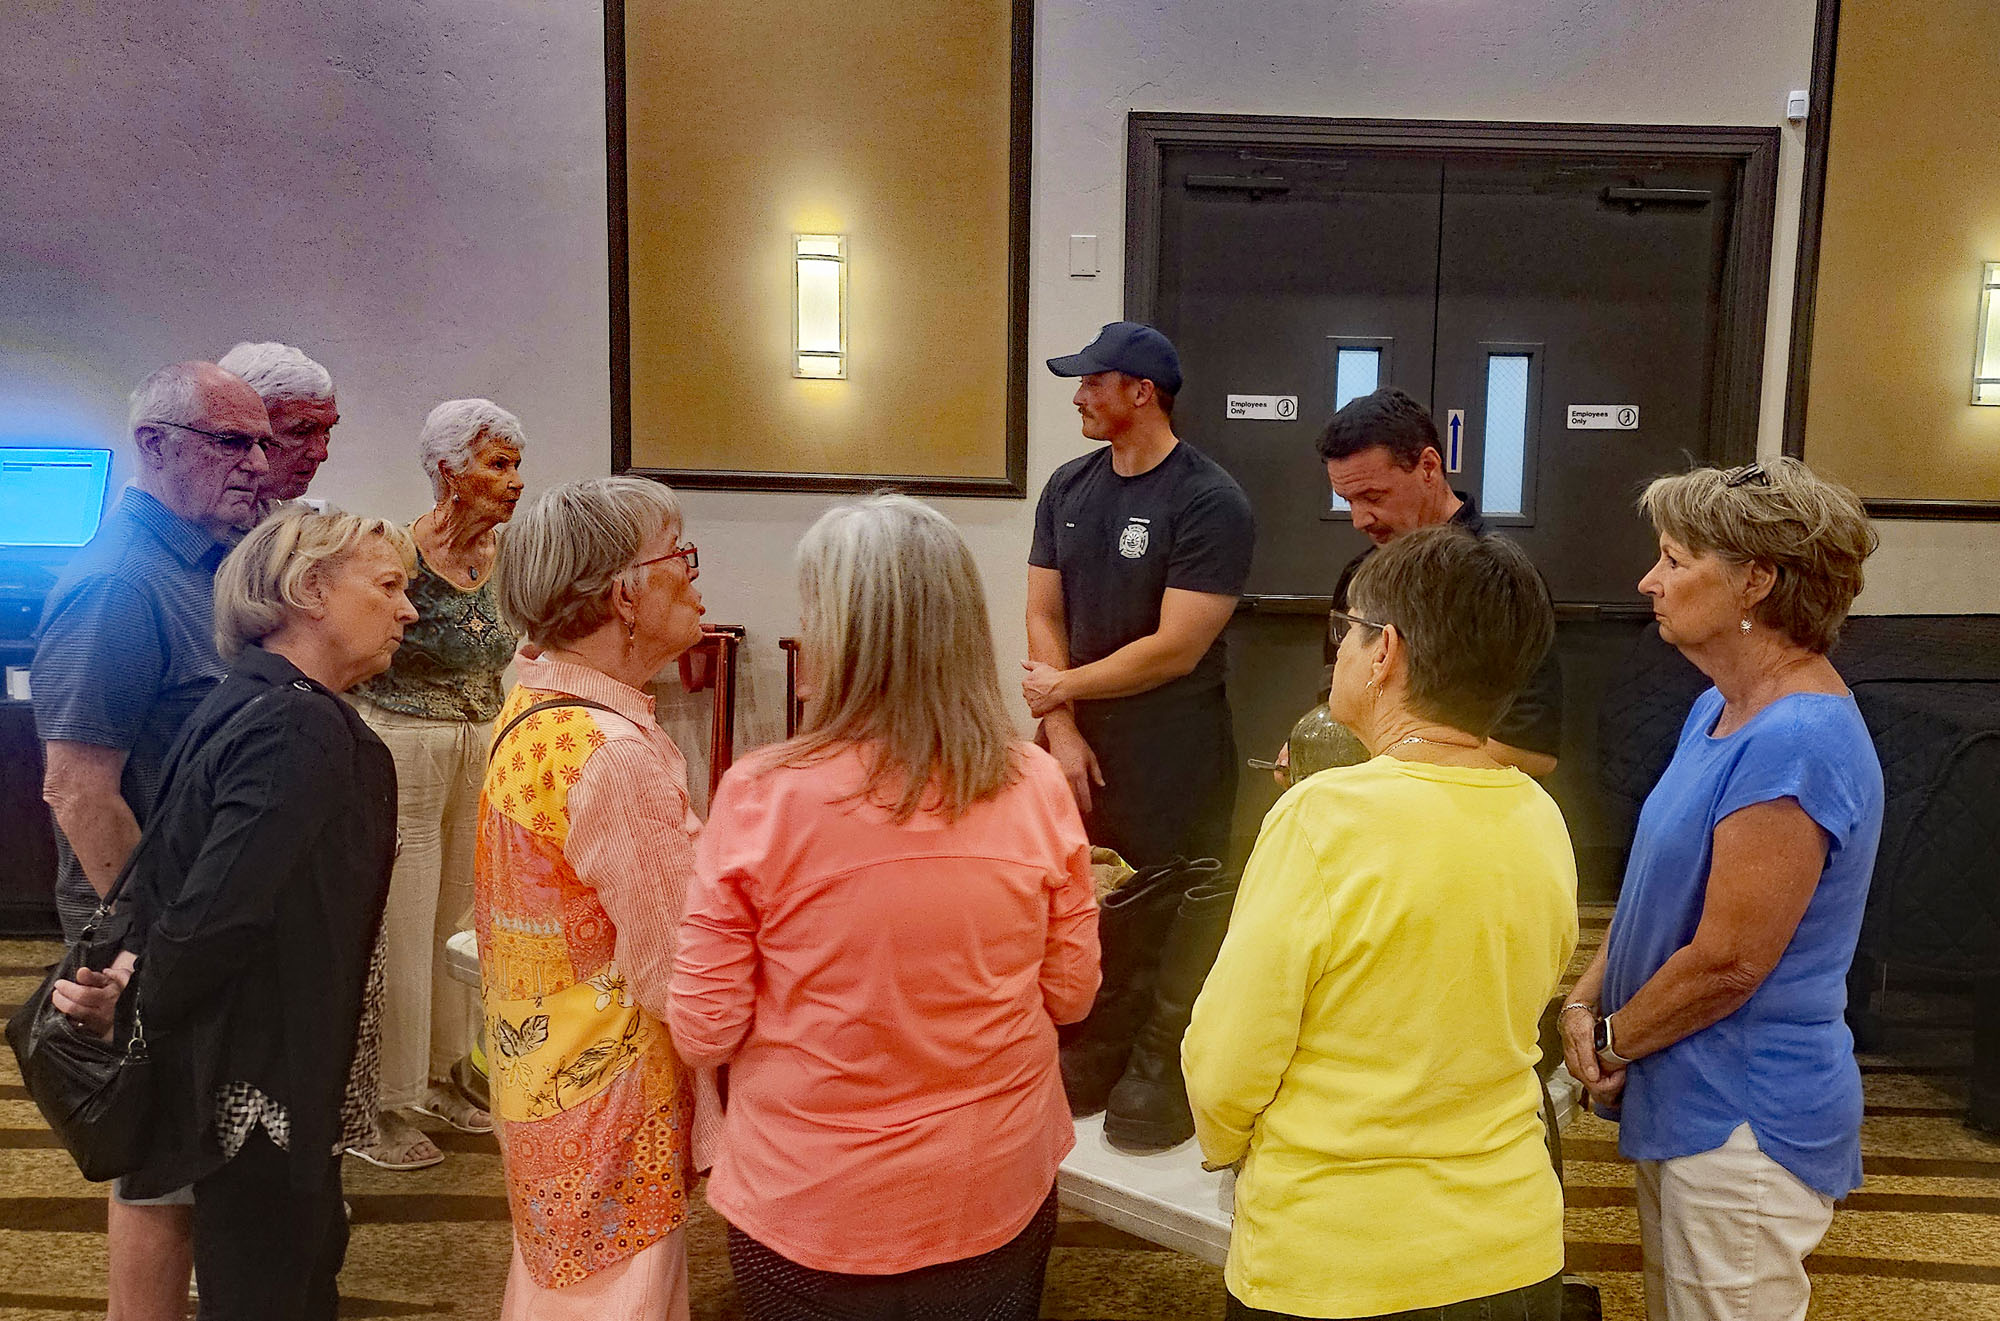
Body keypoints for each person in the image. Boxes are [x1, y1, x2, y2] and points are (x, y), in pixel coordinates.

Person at [672, 494, 1100, 1321]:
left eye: (813, 613)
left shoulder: (760, 794)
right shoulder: (1037, 784)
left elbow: (704, 1027)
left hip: (806, 1196)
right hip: (990, 1184)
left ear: (840, 635)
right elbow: (1073, 993)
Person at [1184, 524, 1576, 1321]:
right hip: (1512, 1247)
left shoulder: (1321, 816)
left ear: (1384, 652)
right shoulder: (1541, 815)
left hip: (1339, 1256)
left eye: (1348, 631)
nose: (1339, 651)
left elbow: (1227, 1059)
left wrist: (1227, 1148)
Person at [51, 509, 417, 1320]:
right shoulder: (296, 722)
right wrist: (141, 1003)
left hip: (240, 1069)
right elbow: (216, 916)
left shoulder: (245, 695)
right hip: (262, 1085)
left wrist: (136, 989)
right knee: (271, 1286)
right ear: (310, 589)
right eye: (389, 585)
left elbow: (187, 888)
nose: (408, 609)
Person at [1559, 458, 1882, 1321]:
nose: (1649, 581)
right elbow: (1655, 892)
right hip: (1685, 1083)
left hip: (1746, 1114)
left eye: (1674, 559)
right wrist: (1585, 1002)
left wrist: (1614, 1039)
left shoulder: (1797, 736)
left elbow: (1730, 961)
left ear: (1756, 580)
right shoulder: (1718, 707)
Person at [32, 360, 270, 1321]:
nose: (258, 462)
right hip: (151, 929)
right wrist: (150, 943)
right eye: (231, 441)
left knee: (192, 1154)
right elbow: (78, 789)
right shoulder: (117, 584)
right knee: (158, 1170)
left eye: (262, 441)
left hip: (196, 916)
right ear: (155, 445)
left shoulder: (206, 561)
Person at [478, 476, 716, 1320]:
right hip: (613, 1095)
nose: (694, 575)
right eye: (679, 556)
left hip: (546, 1076)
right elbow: (676, 971)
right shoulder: (610, 752)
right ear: (624, 594)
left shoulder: (537, 709)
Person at [347, 397, 526, 1168]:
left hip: (479, 742)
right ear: (450, 471)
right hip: (403, 743)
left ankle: (447, 1072)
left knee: (462, 919)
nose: (515, 480)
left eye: (516, 464)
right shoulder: (397, 549)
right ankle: (385, 1102)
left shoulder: (507, 556)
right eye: (498, 464)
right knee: (403, 920)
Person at [1025, 320, 1255, 867]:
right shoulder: (1065, 486)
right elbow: (1043, 615)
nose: (1078, 398)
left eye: (1092, 383)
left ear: (1142, 392)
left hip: (1171, 756)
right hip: (1075, 742)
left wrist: (1060, 687)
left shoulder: (1210, 500)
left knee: (1165, 911)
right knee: (1073, 898)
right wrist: (1061, 727)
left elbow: (1176, 650)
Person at [1308, 386, 1563, 776]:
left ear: (1428, 466)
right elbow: (1335, 708)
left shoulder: (1499, 579)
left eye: (1373, 496)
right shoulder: (1361, 575)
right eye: (1348, 500)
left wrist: (1386, 765)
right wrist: (1311, 746)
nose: (1359, 519)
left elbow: (1532, 749)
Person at [215, 339, 339, 524]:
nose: (321, 453)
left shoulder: (278, 513)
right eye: (301, 432)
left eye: (327, 430)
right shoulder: (195, 519)